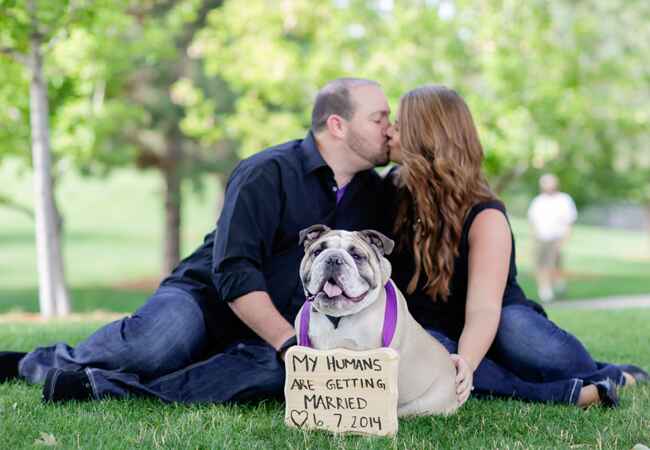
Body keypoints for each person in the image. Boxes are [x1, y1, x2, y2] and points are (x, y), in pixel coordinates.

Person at [0, 77, 395, 404]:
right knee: (153, 347)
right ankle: (27, 364)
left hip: (282, 327)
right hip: (205, 299)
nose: (390, 130)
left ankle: (103, 388)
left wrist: (297, 348)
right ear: (338, 125)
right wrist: (288, 342)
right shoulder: (266, 172)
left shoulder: (375, 196)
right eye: (380, 119)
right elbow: (234, 270)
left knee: (273, 378)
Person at [385, 84, 648, 408]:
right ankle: (568, 394)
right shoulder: (389, 193)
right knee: (431, 354)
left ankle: (614, 374)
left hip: (497, 325)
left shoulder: (485, 215)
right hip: (435, 331)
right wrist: (459, 362)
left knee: (523, 337)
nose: (389, 133)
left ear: (423, 137)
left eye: (398, 126)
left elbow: (484, 310)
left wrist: (466, 360)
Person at [527, 173, 577, 302]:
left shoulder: (564, 199)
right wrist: (533, 239)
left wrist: (565, 239)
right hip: (540, 237)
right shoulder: (538, 201)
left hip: (556, 237)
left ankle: (556, 283)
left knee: (552, 264)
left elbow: (570, 221)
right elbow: (532, 222)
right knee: (540, 264)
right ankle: (545, 290)